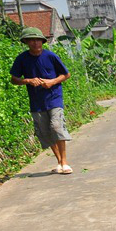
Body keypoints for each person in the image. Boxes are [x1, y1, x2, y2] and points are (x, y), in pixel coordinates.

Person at [10, 27, 73, 174]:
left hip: (54, 97)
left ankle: (65, 162)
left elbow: (66, 74)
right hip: (36, 101)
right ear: (26, 42)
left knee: (56, 126)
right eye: (31, 40)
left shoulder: (51, 56)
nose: (35, 43)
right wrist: (28, 81)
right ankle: (59, 162)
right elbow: (14, 79)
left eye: (38, 39)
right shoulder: (22, 59)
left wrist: (52, 82)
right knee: (45, 132)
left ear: (42, 41)